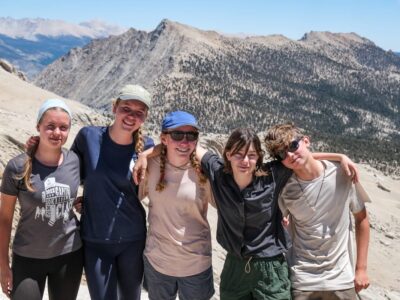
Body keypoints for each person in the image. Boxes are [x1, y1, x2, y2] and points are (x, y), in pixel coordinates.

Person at [134, 127, 358, 300]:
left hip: (270, 268)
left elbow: (298, 157)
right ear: (228, 155)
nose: (245, 161)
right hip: (235, 265)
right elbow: (185, 145)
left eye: (251, 155)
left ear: (259, 157)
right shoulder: (218, 173)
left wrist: (339, 157)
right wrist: (146, 154)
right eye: (238, 154)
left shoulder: (272, 176)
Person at [25, 84, 154, 300]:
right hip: (95, 240)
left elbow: (173, 149)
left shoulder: (146, 146)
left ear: (145, 117)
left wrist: (149, 153)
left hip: (133, 240)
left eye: (139, 112)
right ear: (114, 108)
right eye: (126, 109)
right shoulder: (89, 137)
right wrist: (39, 143)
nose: (131, 116)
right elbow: (64, 165)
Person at [264, 123, 370, 300]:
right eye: (282, 154)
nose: (290, 154)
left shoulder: (342, 173)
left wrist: (361, 269)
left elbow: (362, 220)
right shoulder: (284, 187)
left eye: (293, 145)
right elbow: (273, 225)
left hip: (341, 278)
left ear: (306, 141)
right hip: (302, 279)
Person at [0, 99, 83, 300]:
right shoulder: (17, 167)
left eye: (63, 127)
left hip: (69, 256)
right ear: (38, 126)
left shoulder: (74, 160)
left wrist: (79, 202)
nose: (57, 133)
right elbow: (4, 220)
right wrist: (3, 264)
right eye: (50, 126)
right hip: (28, 258)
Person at [139, 111, 215, 300]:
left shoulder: (204, 171)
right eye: (177, 135)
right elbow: (128, 199)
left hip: (196, 264)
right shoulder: (150, 165)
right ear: (164, 139)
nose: (184, 142)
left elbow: (228, 204)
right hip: (158, 262)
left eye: (191, 136)